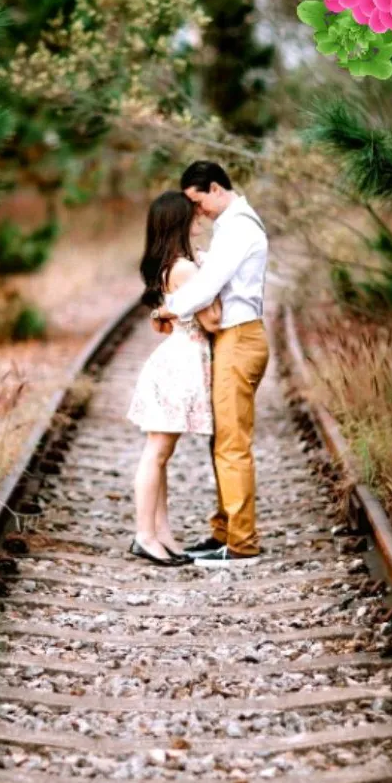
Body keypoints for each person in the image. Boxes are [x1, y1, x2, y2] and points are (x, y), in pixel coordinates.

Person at [155, 161, 269, 567]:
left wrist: (168, 309)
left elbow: (207, 287)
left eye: (196, 200)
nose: (196, 211)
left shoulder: (238, 227)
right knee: (221, 439)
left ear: (215, 188)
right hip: (233, 340)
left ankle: (241, 544)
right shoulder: (231, 226)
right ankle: (224, 531)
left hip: (239, 339)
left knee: (232, 444)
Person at [127, 190, 222, 567]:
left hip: (176, 359)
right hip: (180, 364)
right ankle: (144, 535)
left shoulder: (176, 263)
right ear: (179, 222)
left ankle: (161, 532)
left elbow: (167, 320)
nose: (199, 217)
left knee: (161, 454)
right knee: (157, 452)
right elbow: (212, 320)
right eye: (192, 213)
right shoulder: (185, 267)